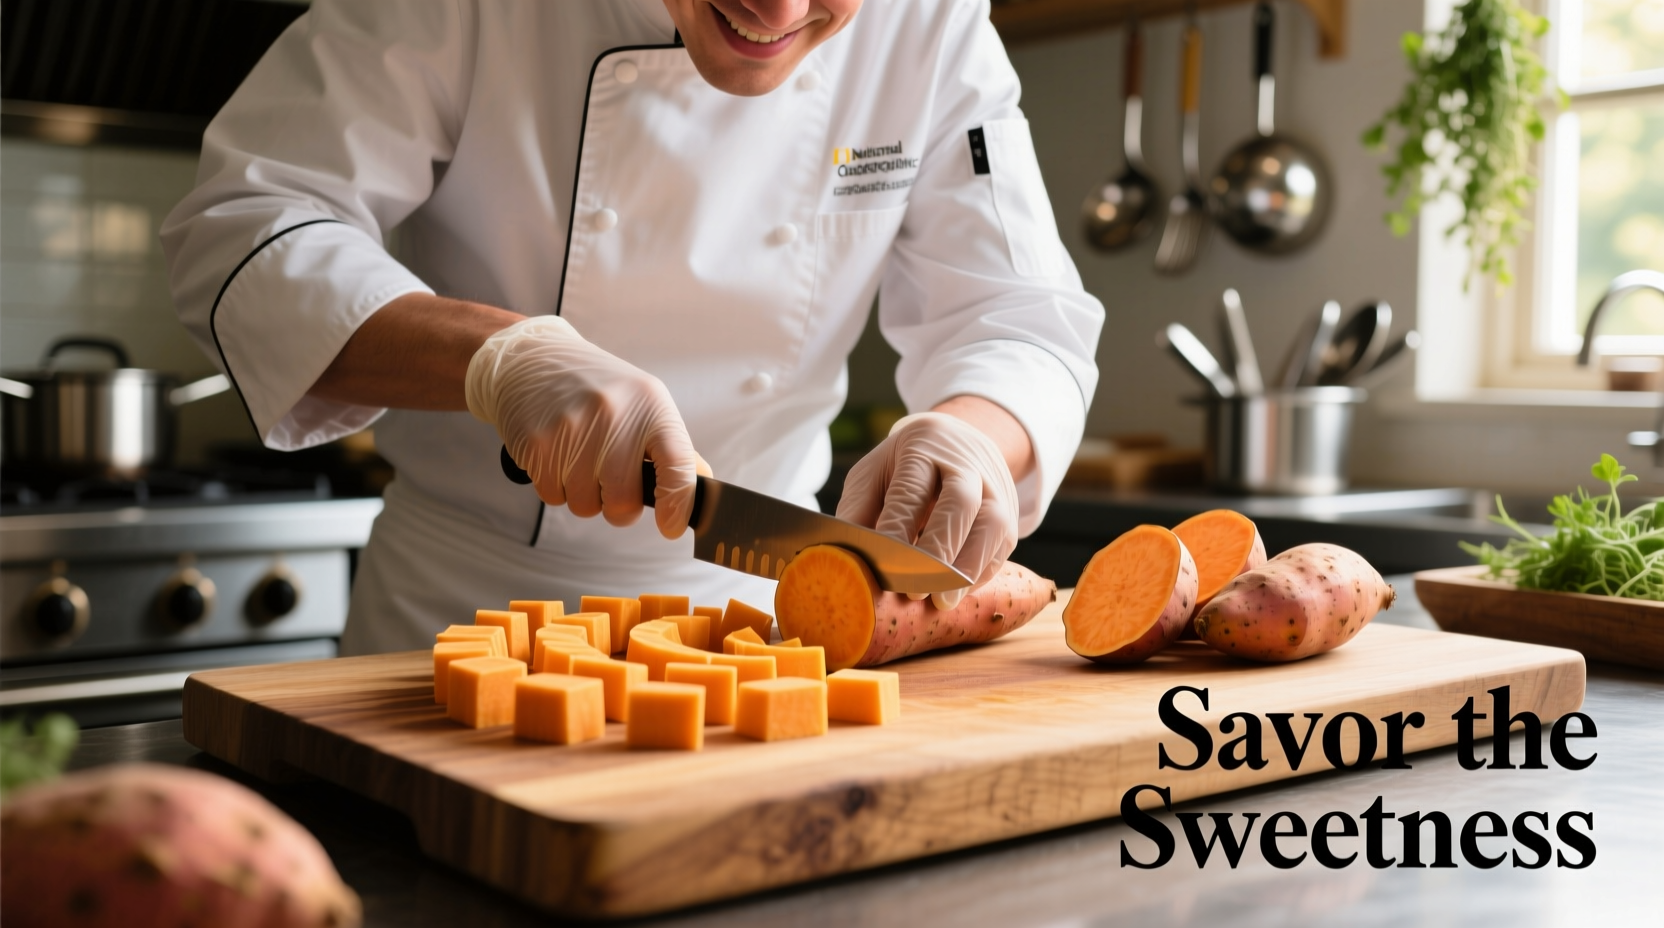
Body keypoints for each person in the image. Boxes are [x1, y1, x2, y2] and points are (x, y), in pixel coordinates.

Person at [162, 0, 1103, 655]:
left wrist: (974, 433)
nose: (778, 11)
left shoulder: (931, 24)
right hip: (460, 618)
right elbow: (245, 225)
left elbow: (1018, 311)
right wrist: (499, 358)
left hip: (762, 623)